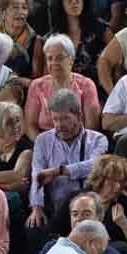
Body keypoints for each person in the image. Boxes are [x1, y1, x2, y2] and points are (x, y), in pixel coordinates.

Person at [27, 90, 109, 228]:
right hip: (55, 207)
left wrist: (59, 171)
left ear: (78, 115)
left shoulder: (98, 139)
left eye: (65, 118)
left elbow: (94, 165)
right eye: (55, 119)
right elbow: (37, 173)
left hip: (86, 208)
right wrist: (36, 207)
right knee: (33, 225)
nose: (59, 125)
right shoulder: (43, 140)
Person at [26, 35, 102, 138]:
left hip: (78, 142)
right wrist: (44, 146)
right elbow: (30, 125)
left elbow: (91, 127)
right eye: (50, 58)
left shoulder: (86, 85)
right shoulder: (37, 86)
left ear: (71, 60)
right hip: (46, 144)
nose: (54, 63)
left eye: (59, 58)